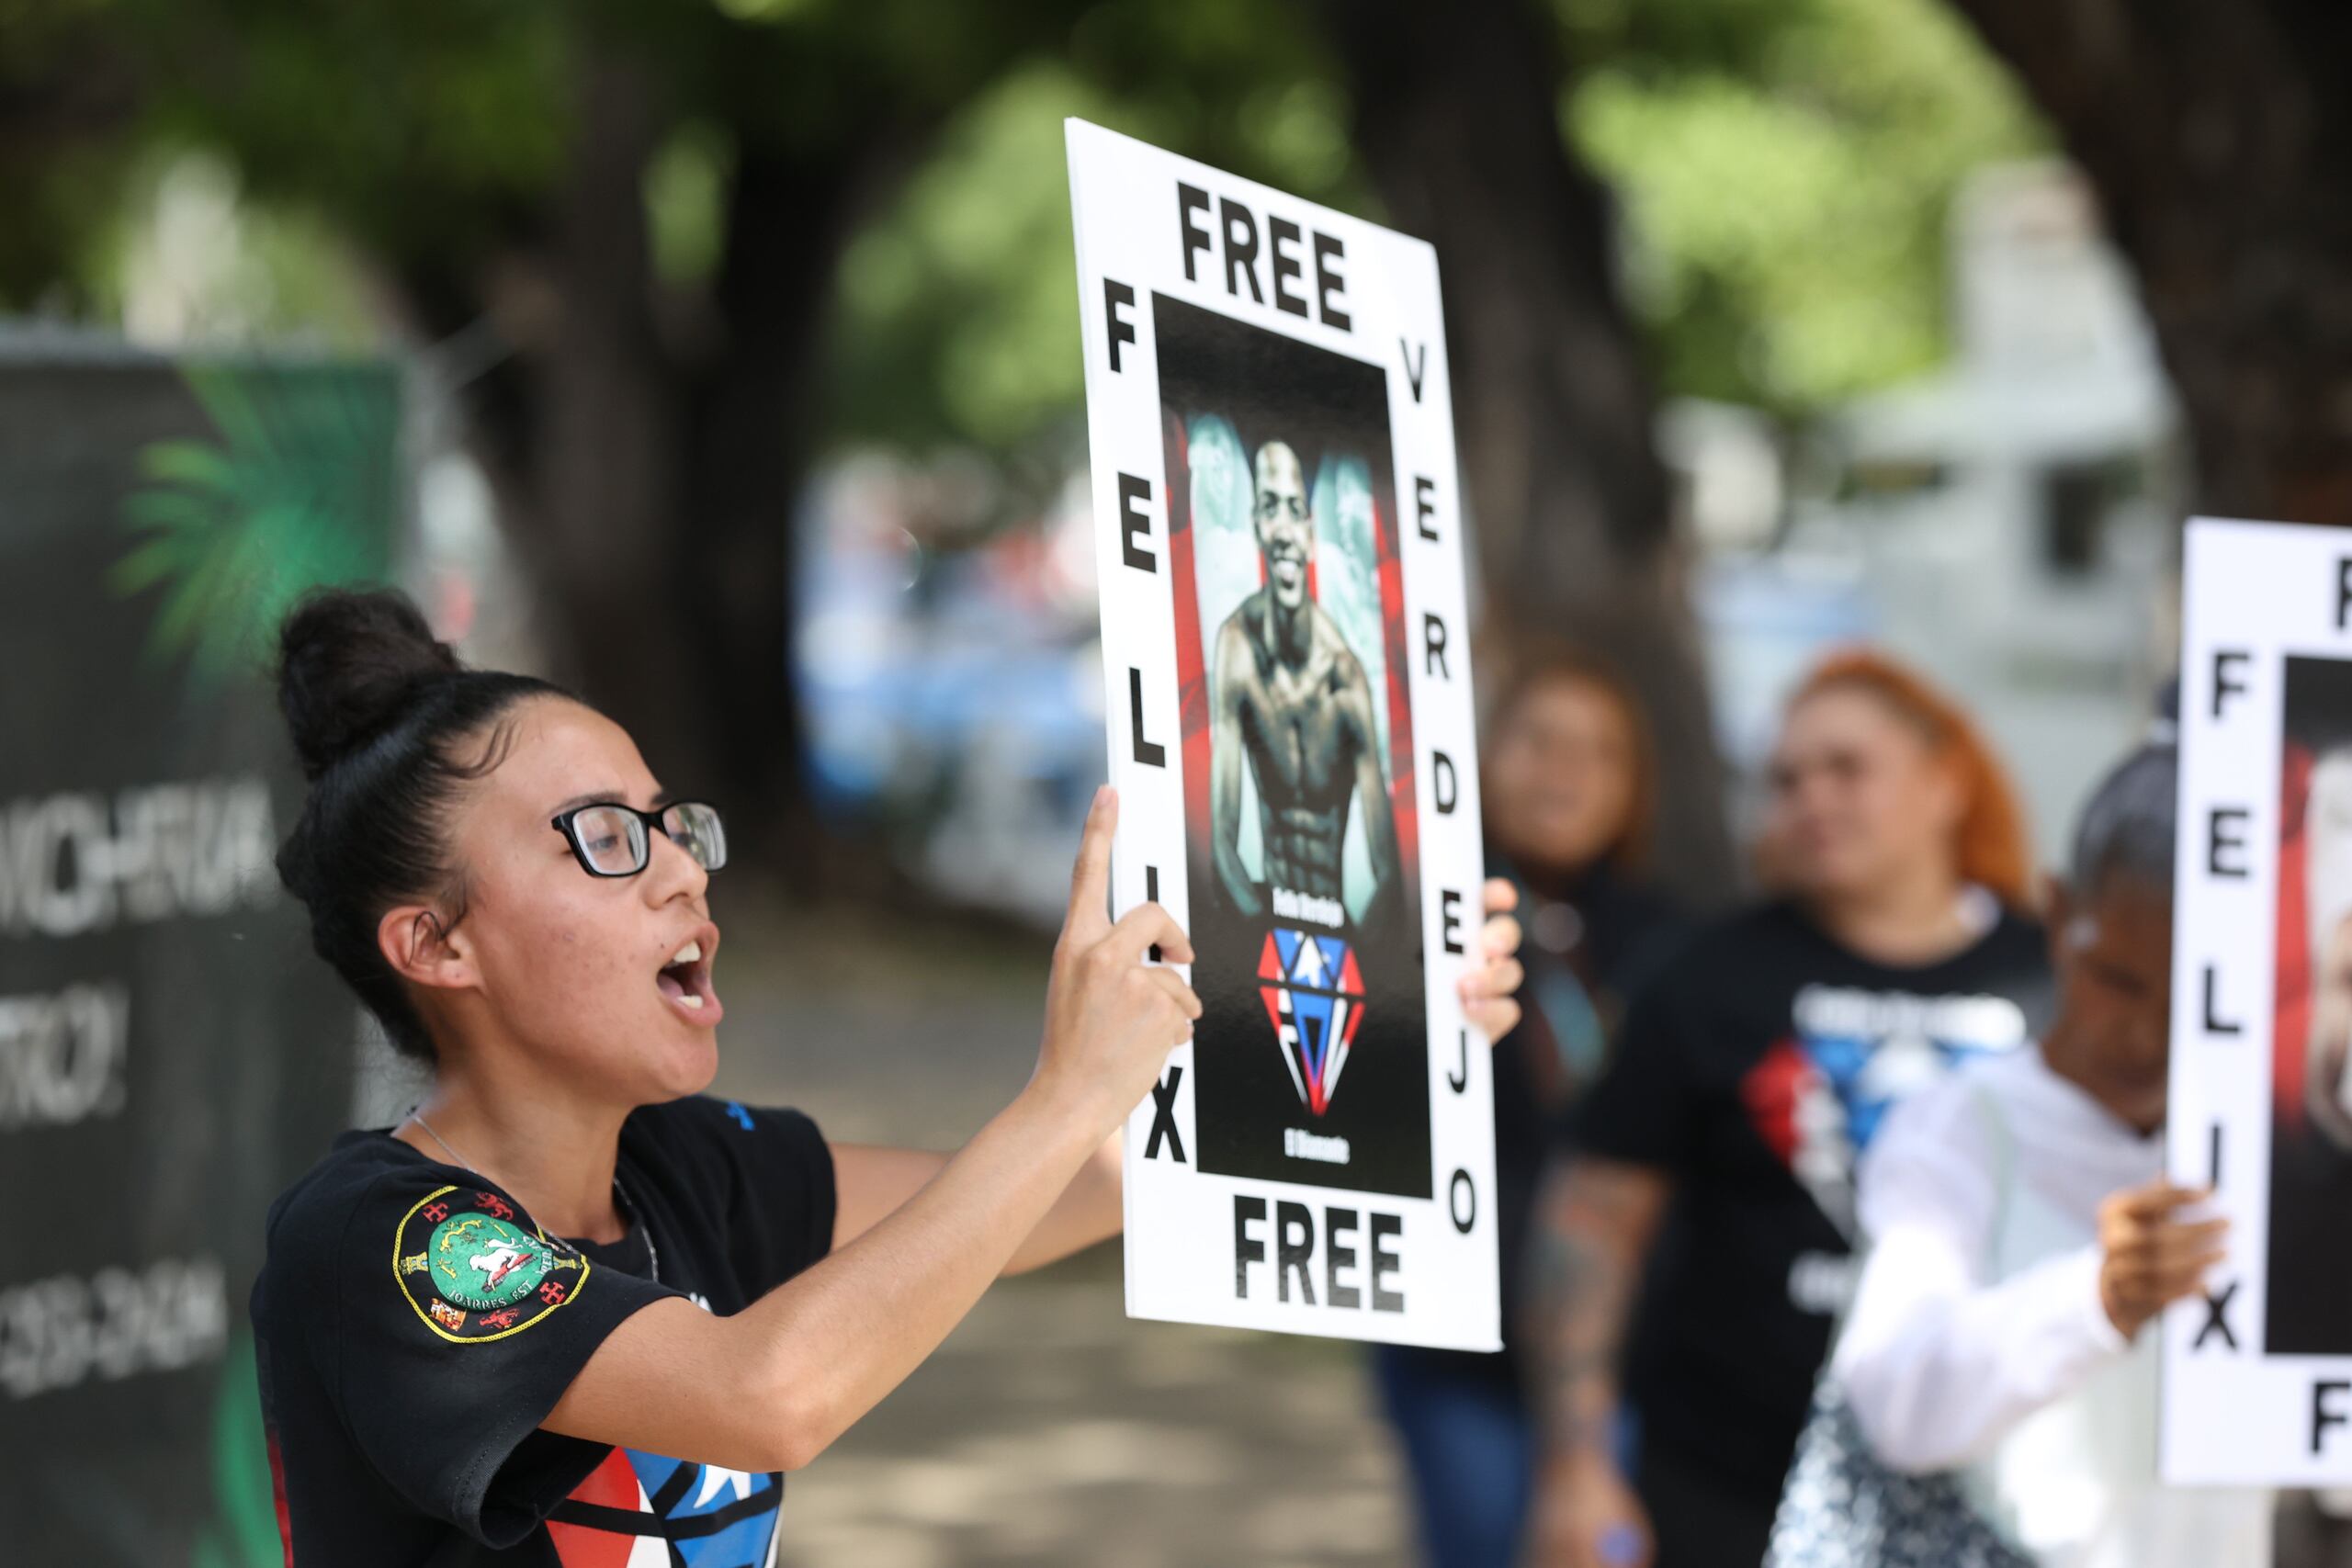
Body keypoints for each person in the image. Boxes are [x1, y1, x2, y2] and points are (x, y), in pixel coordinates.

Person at [250, 589, 1528, 1565]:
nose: (683, 869)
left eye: (672, 822)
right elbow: (765, 1396)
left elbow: (1047, 1198)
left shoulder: (692, 1163)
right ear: (435, 942)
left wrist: (1383, 1036)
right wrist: (1060, 1088)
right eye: (601, 835)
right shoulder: (384, 1239)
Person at [1524, 648, 2055, 1568]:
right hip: (1727, 1490)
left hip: (2012, 1491)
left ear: (1945, 782)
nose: (1811, 797)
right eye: (1785, 779)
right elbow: (1591, 1224)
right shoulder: (1702, 978)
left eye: (1847, 768)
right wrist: (1575, 1465)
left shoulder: (2061, 983)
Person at [1809, 735, 2270, 1564]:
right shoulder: (1959, 1129)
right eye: (2119, 979)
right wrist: (2100, 1297)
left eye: (2194, 996)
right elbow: (1899, 1396)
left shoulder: (2277, 1145)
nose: (2146, 1031)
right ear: (2060, 916)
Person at [1370, 651, 1689, 1568]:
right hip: (1460, 1344)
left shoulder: (1668, 941)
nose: (1564, 771)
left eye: (1599, 753)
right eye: (1538, 741)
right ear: (1479, 755)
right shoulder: (1411, 913)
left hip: (1633, 1353)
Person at [1210, 438, 1402, 931]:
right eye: (1270, 509)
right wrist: (1255, 933)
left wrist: (1362, 958)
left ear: (1311, 536)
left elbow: (1389, 874)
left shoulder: (1344, 676)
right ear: (1255, 526)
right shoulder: (1237, 647)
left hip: (1336, 928)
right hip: (1263, 919)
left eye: (1295, 510)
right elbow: (1222, 844)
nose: (1283, 531)